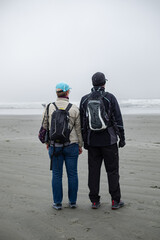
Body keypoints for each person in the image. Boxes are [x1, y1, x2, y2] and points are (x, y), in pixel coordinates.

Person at [79, 72, 125, 210]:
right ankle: (115, 201)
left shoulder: (84, 99)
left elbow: (82, 123)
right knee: (112, 171)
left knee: (93, 171)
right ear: (104, 83)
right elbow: (118, 119)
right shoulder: (110, 98)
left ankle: (94, 201)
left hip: (92, 141)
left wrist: (85, 140)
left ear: (92, 83)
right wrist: (122, 138)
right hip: (109, 141)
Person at [41, 82, 83, 210]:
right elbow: (79, 130)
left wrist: (48, 143)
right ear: (67, 93)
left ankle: (57, 203)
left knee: (57, 175)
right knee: (72, 174)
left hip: (55, 146)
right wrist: (80, 145)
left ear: (56, 93)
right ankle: (72, 202)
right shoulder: (74, 108)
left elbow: (45, 127)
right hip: (72, 145)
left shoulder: (49, 107)